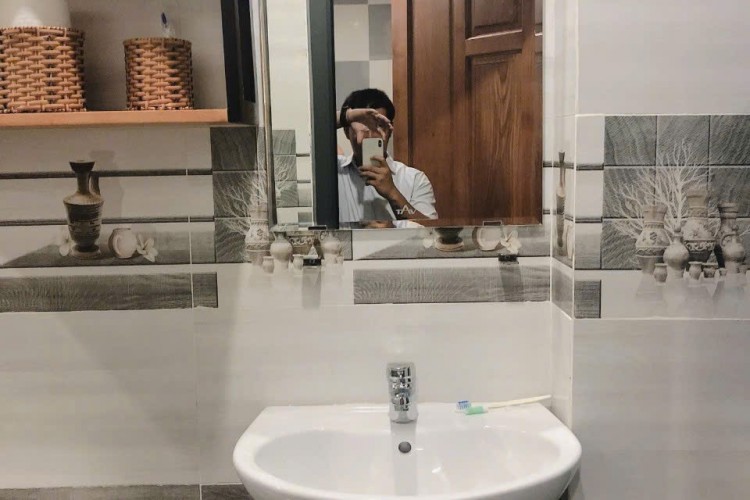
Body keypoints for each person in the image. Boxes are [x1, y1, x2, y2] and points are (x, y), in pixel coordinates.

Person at [336, 88, 437, 225]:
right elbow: (314, 126)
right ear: (346, 132)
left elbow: (430, 231)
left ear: (389, 130)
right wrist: (348, 116)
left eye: (379, 126)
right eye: (363, 126)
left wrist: (392, 192)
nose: (370, 135)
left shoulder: (414, 179)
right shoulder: (334, 174)